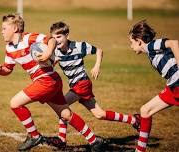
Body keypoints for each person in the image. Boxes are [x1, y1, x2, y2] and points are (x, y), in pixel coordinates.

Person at [0, 13, 104, 152]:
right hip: (51, 81)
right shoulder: (9, 48)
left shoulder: (29, 38)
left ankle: (34, 136)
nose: (1, 31)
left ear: (14, 28)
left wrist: (47, 53)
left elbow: (51, 40)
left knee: (15, 103)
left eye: (4, 28)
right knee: (66, 114)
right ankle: (94, 141)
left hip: (45, 80)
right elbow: (7, 69)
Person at [44, 21, 140, 148]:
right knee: (99, 114)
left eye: (59, 36)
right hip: (75, 86)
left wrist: (96, 66)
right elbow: (52, 62)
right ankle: (134, 120)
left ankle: (62, 139)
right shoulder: (55, 51)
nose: (56, 40)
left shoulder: (79, 46)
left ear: (67, 35)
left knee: (62, 108)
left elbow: (99, 51)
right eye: (54, 37)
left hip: (83, 83)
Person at [129, 20, 179, 152]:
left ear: (139, 40)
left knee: (145, 110)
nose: (131, 46)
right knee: (145, 111)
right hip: (173, 87)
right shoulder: (150, 50)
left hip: (177, 84)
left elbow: (174, 43)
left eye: (132, 42)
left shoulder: (151, 45)